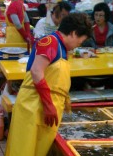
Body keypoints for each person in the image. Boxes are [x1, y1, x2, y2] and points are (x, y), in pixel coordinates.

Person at [6, 13, 92, 156]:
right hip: (32, 107)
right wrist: (48, 105)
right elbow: (36, 71)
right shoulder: (51, 42)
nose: (79, 45)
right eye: (80, 41)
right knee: (23, 150)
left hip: (43, 111)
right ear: (74, 33)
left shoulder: (62, 49)